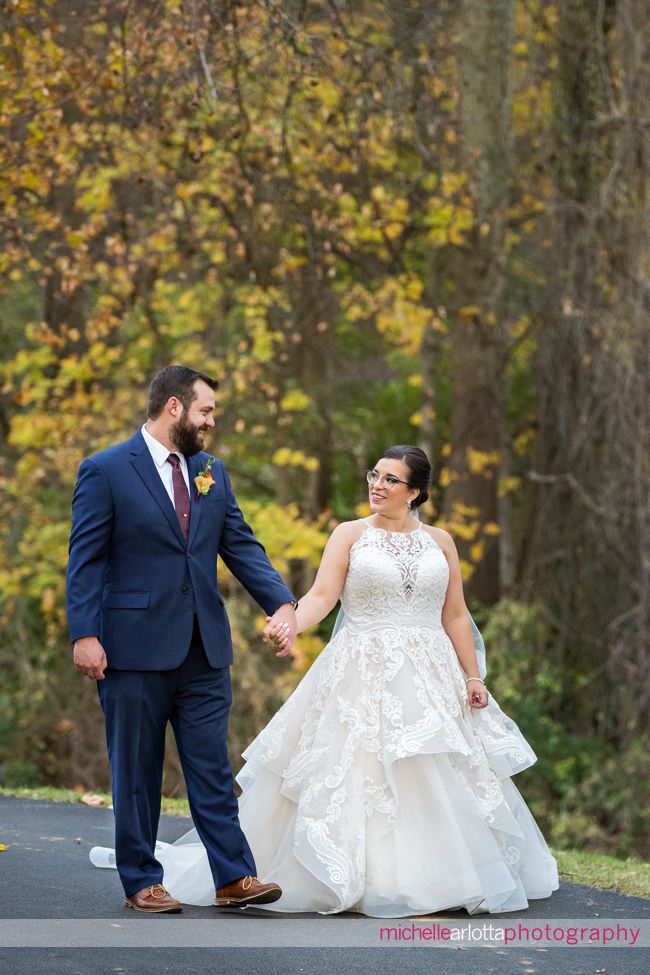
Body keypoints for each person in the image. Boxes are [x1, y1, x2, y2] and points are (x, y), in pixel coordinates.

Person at [90, 443, 559, 916]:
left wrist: (473, 676)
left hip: (431, 675)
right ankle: (353, 875)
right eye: (374, 475)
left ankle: (441, 877)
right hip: (362, 670)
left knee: (431, 771)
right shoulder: (350, 535)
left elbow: (456, 614)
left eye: (391, 480)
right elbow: (321, 597)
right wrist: (290, 620)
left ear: (415, 492)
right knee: (361, 774)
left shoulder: (441, 542)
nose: (377, 485)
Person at [67, 364, 300, 913]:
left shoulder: (211, 470)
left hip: (203, 649)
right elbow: (86, 559)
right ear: (174, 407)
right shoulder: (104, 470)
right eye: (206, 411)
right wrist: (85, 633)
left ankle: (233, 877)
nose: (211, 422)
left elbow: (239, 543)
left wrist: (282, 603)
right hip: (130, 649)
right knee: (137, 770)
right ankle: (142, 881)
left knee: (212, 768)